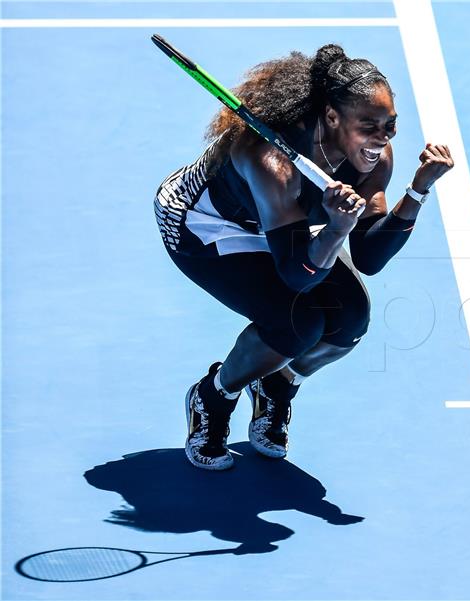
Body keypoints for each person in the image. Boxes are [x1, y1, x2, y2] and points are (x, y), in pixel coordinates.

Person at [153, 44, 454, 470]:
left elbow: (369, 255)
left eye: (390, 125)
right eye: (370, 124)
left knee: (351, 318)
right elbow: (298, 277)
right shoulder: (269, 159)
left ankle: (277, 383)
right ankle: (213, 396)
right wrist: (335, 228)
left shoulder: (373, 156)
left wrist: (418, 190)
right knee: (298, 323)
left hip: (283, 223)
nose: (383, 138)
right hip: (205, 224)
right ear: (332, 117)